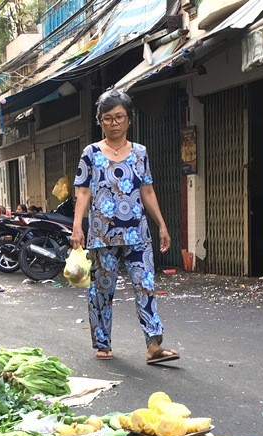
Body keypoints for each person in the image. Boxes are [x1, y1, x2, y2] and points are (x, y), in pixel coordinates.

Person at [71, 89, 179, 365]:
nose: (114, 123)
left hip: (137, 234)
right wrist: (77, 227)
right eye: (108, 118)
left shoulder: (140, 153)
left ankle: (154, 346)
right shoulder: (91, 154)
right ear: (100, 121)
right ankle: (103, 344)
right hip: (101, 235)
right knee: (102, 291)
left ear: (128, 120)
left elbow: (148, 192)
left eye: (119, 117)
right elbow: (82, 192)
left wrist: (162, 225)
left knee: (145, 286)